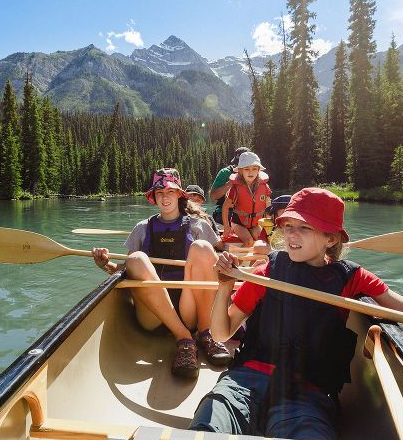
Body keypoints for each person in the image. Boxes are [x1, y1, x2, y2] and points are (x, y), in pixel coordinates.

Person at [190, 187, 403, 440]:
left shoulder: (352, 278)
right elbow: (220, 333)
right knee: (204, 435)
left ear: (331, 238)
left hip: (307, 394)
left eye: (304, 228)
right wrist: (225, 285)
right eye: (288, 227)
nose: (291, 236)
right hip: (245, 382)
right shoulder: (268, 270)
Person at [91, 168, 232, 378]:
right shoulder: (142, 228)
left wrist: (228, 261)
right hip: (153, 315)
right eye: (160, 193)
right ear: (154, 196)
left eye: (170, 192)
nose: (165, 197)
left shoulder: (199, 226)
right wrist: (105, 264)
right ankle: (184, 339)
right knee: (136, 259)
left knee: (203, 248)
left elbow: (217, 259)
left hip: (189, 310)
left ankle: (205, 333)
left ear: (179, 194)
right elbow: (125, 272)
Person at [221, 152, 272, 247]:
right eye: (247, 169)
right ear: (240, 171)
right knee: (249, 241)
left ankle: (256, 258)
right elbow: (225, 207)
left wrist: (269, 224)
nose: (251, 172)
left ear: (258, 170)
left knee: (264, 243)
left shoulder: (264, 187)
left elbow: (268, 207)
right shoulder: (235, 188)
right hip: (238, 223)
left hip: (255, 224)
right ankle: (236, 257)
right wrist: (226, 227)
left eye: (254, 169)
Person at [209, 146, 250, 223]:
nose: (239, 167)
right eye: (237, 164)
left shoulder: (254, 175)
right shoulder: (225, 173)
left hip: (247, 213)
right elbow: (213, 196)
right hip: (227, 212)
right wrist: (231, 181)